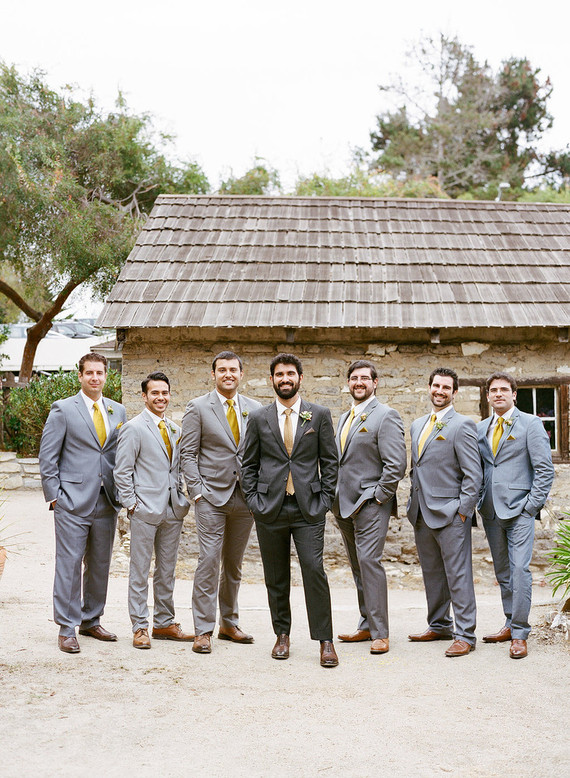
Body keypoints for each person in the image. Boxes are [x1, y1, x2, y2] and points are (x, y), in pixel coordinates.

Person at [241, 353, 339, 667]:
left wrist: (325, 500)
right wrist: (254, 502)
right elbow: (248, 464)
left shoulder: (318, 415)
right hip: (270, 509)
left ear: (300, 378)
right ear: (272, 380)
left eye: (290, 374)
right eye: (280, 374)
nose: (285, 379)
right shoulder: (258, 418)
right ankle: (282, 635)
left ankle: (325, 640)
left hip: (309, 509)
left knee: (314, 571)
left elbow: (330, 462)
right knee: (276, 576)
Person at [39, 353, 127, 654]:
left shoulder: (117, 410)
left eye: (99, 373)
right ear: (80, 376)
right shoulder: (63, 409)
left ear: (106, 376)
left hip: (107, 500)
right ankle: (67, 628)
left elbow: (117, 454)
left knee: (100, 564)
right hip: (71, 501)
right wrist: (55, 497)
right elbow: (47, 455)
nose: (95, 378)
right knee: (69, 564)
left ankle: (91, 620)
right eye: (89, 373)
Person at [180, 351, 261, 654]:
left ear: (241, 374)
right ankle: (203, 630)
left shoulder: (255, 409)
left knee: (234, 563)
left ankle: (229, 623)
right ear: (213, 374)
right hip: (211, 497)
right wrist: (197, 491)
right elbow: (188, 453)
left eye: (233, 370)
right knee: (209, 560)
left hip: (245, 497)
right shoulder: (198, 407)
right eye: (222, 370)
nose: (228, 374)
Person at [477, 372, 554, 659]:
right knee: (503, 572)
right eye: (493, 390)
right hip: (490, 510)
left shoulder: (531, 424)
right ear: (487, 396)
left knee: (519, 570)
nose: (498, 394)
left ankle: (520, 633)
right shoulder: (481, 428)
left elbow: (545, 470)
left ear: (514, 395)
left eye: (504, 389)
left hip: (521, 509)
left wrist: (530, 507)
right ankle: (509, 622)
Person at [407, 367, 482, 657]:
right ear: (429, 387)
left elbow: (473, 475)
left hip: (451, 514)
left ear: (455, 392)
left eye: (446, 387)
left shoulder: (462, 425)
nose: (440, 391)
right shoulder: (417, 425)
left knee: (458, 575)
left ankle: (465, 635)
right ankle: (439, 625)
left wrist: (462, 512)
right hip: (421, 512)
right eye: (436, 385)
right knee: (432, 573)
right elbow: (417, 468)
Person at [114, 372, 192, 649]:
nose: (161, 397)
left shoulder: (175, 429)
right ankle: (139, 627)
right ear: (144, 396)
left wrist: (181, 497)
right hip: (144, 510)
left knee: (167, 570)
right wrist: (132, 504)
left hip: (172, 510)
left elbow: (177, 469)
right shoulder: (133, 428)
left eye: (164, 393)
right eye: (155, 393)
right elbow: (122, 470)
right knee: (140, 570)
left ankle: (164, 623)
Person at [333, 360, 406, 655]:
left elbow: (396, 464)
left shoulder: (386, 415)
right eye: (354, 378)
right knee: (357, 566)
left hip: (370, 503)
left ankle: (380, 633)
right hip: (343, 504)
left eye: (364, 378)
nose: (359, 382)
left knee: (369, 563)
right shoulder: (344, 418)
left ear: (375, 383)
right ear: (348, 383)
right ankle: (366, 624)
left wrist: (378, 497)